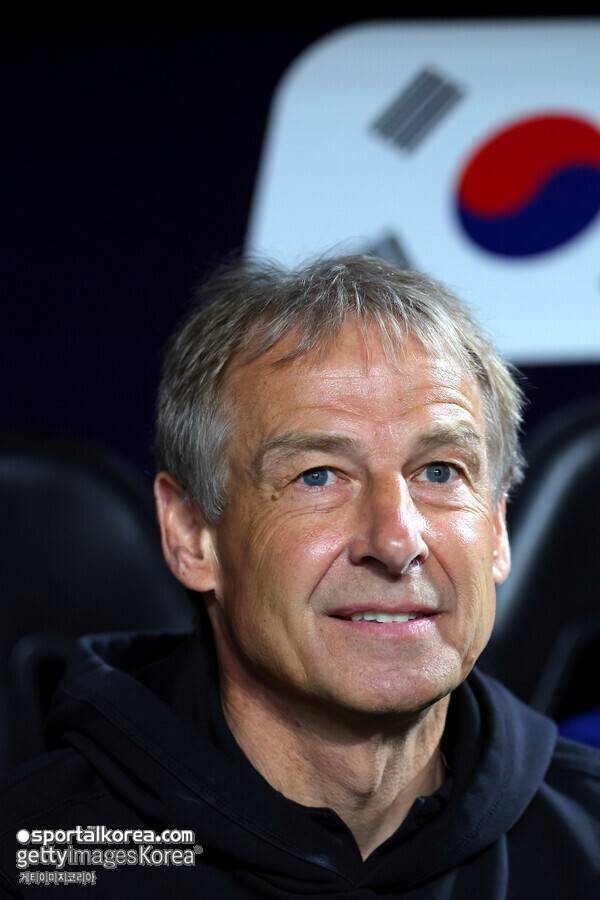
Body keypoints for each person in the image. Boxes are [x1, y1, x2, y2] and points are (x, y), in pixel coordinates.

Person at [1, 256, 599, 898]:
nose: (397, 540)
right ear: (192, 534)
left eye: (440, 472)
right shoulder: (35, 865)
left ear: (498, 528)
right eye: (318, 476)